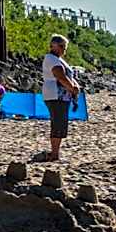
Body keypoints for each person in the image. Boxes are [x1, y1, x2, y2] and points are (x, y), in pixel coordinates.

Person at [41, 34, 80, 162]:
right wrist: (72, 88)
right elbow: (60, 76)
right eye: (62, 46)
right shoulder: (52, 59)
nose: (64, 49)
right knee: (58, 123)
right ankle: (54, 153)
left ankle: (55, 152)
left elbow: (66, 76)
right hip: (55, 95)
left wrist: (74, 87)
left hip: (61, 96)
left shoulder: (57, 59)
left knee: (60, 123)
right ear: (55, 46)